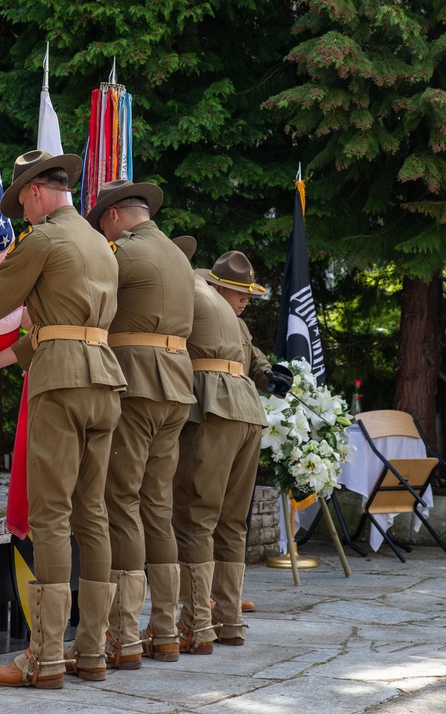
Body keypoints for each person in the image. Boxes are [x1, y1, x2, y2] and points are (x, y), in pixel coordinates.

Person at [0, 150, 126, 688]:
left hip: (63, 380)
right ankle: (92, 652)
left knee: (51, 517)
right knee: (92, 514)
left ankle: (45, 657)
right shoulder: (102, 244)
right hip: (104, 380)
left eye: (20, 202)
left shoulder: (45, 239)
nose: (20, 214)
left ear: (33, 192)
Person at [84, 180, 196, 667]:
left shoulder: (123, 253)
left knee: (120, 501)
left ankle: (123, 635)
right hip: (176, 386)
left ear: (112, 218)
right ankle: (166, 630)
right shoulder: (177, 254)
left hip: (137, 383)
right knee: (157, 503)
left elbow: (86, 307)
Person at [170, 247, 275, 655]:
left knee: (197, 517)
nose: (245, 297)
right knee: (231, 521)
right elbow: (255, 362)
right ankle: (229, 621)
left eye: (247, 291)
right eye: (237, 290)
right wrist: (266, 375)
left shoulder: (198, 301)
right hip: (248, 413)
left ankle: (197, 626)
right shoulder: (228, 318)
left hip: (216, 409)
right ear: (217, 285)